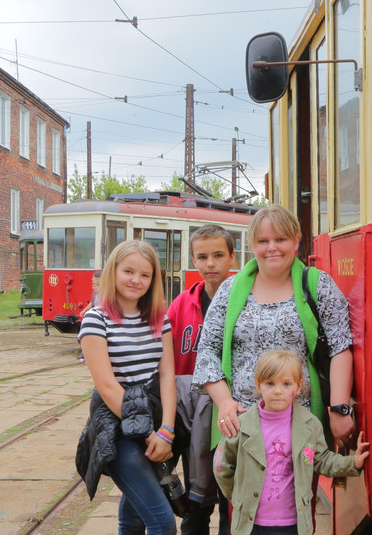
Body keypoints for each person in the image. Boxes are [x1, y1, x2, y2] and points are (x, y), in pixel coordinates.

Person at [194, 204, 356, 451]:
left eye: (280, 239)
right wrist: (225, 402)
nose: (271, 248)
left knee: (297, 490)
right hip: (241, 427)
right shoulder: (229, 290)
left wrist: (338, 408)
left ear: (296, 241)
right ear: (252, 245)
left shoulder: (318, 285)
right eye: (263, 241)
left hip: (300, 428)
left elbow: (340, 347)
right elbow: (207, 351)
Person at [78, 240, 178, 535]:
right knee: (163, 523)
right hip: (117, 426)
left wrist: (167, 431)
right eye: (129, 271)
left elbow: (167, 376)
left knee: (134, 517)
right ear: (114, 271)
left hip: (157, 421)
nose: (136, 280)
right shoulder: (96, 320)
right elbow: (108, 387)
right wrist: (148, 435)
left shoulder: (160, 317)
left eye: (145, 275)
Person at [214, 349, 368, 535]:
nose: (278, 391)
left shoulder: (309, 425)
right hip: (251, 523)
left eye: (286, 384)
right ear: (258, 384)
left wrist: (352, 463)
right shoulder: (241, 425)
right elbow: (222, 466)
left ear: (298, 386)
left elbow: (321, 460)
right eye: (270, 383)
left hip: (291, 524)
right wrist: (239, 497)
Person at [164, 225, 236, 535]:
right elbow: (166, 359)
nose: (210, 264)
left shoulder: (244, 300)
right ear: (194, 260)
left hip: (230, 413)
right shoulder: (181, 305)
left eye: (218, 255)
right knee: (196, 503)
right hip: (192, 417)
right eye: (202, 257)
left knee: (229, 498)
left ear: (232, 257)